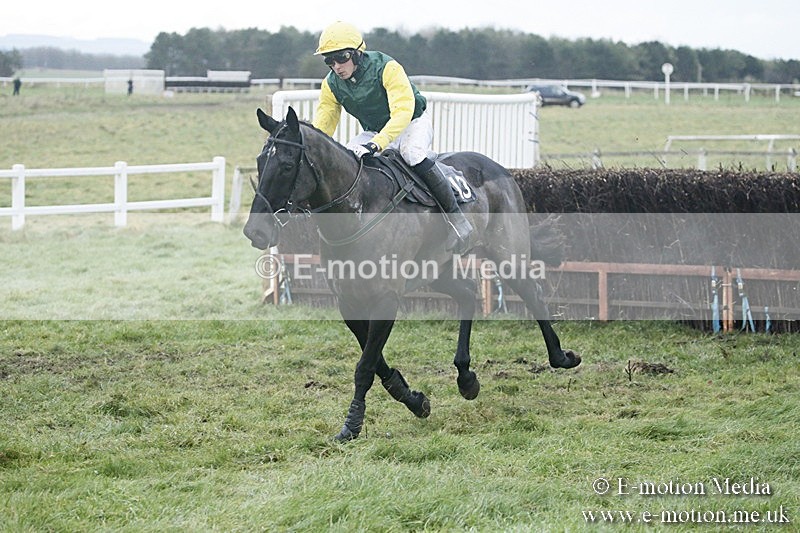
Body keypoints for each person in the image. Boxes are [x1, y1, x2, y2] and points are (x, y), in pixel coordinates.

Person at [312, 21, 473, 253]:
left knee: (412, 153)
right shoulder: (330, 84)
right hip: (374, 129)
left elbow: (402, 112)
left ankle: (457, 219)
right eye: (329, 61)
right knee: (347, 158)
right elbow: (324, 124)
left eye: (341, 57)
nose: (336, 66)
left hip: (411, 122)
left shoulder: (387, 67)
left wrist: (376, 144)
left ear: (358, 53)